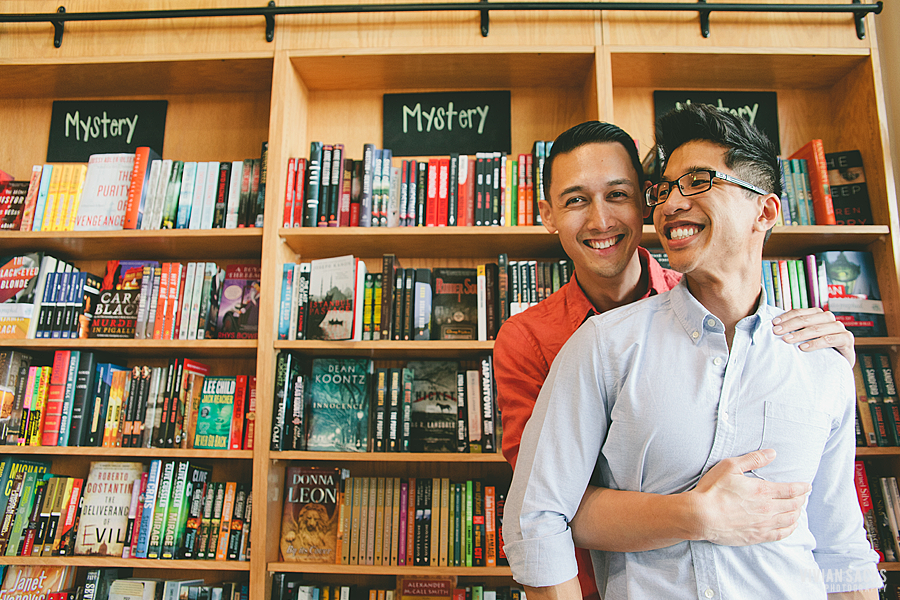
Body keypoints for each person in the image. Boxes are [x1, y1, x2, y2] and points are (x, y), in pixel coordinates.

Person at [501, 105, 881, 599]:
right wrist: (699, 515)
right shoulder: (583, 343)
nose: (601, 219)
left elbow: (840, 545)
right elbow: (542, 510)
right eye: (576, 200)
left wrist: (829, 367)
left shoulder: (814, 353)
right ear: (547, 214)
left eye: (619, 195)